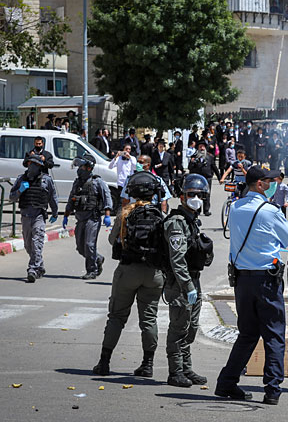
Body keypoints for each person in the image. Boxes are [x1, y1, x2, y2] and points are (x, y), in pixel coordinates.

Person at [215, 167, 288, 405]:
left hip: (242, 281)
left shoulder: (236, 207)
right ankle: (272, 389)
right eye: (270, 181)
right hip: (266, 280)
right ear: (260, 184)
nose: (274, 185)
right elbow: (287, 239)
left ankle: (227, 381)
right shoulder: (270, 211)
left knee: (247, 334)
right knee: (274, 334)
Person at [92, 171, 166, 378]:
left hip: (128, 271)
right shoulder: (160, 215)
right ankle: (147, 364)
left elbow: (111, 241)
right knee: (149, 319)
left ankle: (104, 363)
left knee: (116, 317)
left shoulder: (125, 214)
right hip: (153, 273)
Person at [163, 174, 214, 387]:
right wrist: (187, 286)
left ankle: (186, 367)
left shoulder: (192, 220)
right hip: (180, 283)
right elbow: (177, 260)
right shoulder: (176, 223)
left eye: (199, 195)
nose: (196, 199)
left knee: (191, 327)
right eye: (191, 194)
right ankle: (175, 372)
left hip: (193, 280)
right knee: (178, 328)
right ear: (182, 196)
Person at [9, 155, 58, 283]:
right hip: (25, 216)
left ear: (39, 167)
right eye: (30, 163)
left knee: (37, 243)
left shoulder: (46, 180)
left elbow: (52, 196)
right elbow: (12, 197)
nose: (32, 166)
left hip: (38, 216)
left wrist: (55, 212)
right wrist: (20, 190)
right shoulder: (21, 179)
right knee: (28, 245)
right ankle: (39, 265)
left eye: (35, 164)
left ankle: (33, 269)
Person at [63, 154, 113, 279]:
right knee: (80, 247)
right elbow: (71, 199)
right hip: (80, 218)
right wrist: (66, 215)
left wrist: (107, 215)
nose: (80, 169)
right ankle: (98, 258)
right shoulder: (77, 182)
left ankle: (92, 270)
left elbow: (107, 198)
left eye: (82, 166)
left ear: (89, 168)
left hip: (93, 218)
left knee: (89, 245)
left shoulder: (98, 182)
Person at [188, 140, 220, 216]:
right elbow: (190, 168)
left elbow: (214, 167)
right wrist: (192, 162)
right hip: (197, 178)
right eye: (200, 147)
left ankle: (206, 210)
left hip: (207, 177)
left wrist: (219, 177)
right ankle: (198, 209)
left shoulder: (210, 156)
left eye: (203, 147)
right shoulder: (194, 157)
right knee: (198, 194)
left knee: (207, 194)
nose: (202, 148)